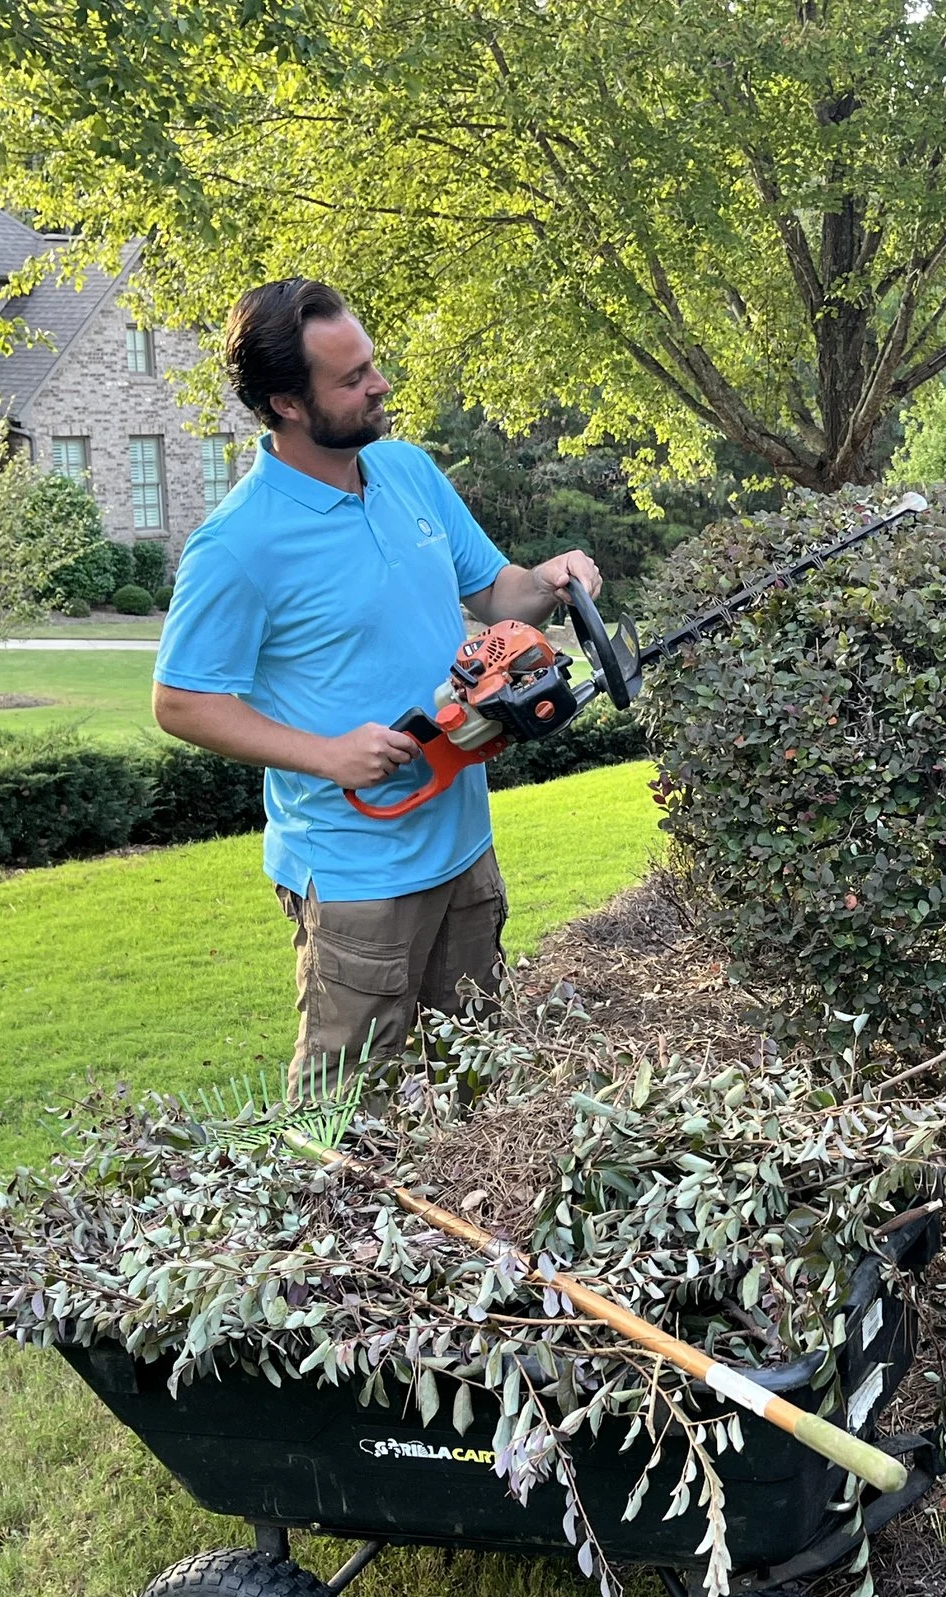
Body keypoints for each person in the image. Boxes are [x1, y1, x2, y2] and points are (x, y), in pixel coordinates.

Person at [153, 277, 601, 1092]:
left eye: (372, 363)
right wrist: (324, 754)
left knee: (474, 1086)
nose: (378, 384)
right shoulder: (238, 543)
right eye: (352, 377)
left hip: (462, 845)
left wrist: (549, 579)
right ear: (287, 403)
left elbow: (491, 592)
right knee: (349, 1113)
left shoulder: (406, 471)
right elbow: (181, 701)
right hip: (355, 868)